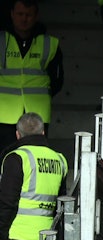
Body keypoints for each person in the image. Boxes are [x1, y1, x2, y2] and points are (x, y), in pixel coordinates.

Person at [0, 112, 66, 240]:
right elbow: (61, 201)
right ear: (43, 132)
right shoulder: (59, 159)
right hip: (47, 237)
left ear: (18, 134)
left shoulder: (16, 157)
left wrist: (1, 231)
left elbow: (6, 200)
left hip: (18, 235)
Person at [0, 0, 62, 149]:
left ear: (36, 16)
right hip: (3, 113)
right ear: (12, 15)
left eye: (28, 14)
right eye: (20, 14)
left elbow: (58, 79)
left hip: (37, 113)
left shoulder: (49, 43)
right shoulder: (1, 40)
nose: (24, 18)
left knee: (35, 156)